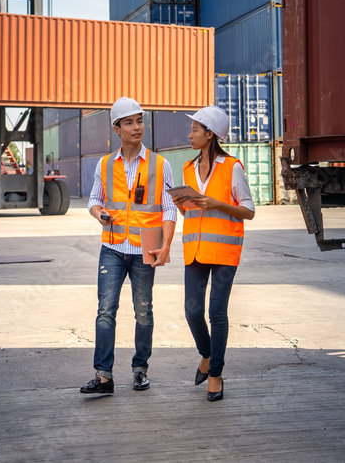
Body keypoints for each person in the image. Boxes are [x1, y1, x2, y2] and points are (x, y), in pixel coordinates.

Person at [80, 97, 177, 395]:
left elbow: (170, 209)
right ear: (117, 128)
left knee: (143, 311)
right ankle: (104, 376)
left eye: (139, 121)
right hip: (112, 246)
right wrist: (99, 214)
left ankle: (140, 370)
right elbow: (94, 201)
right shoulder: (106, 163)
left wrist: (165, 246)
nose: (137, 127)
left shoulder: (161, 164)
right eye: (129, 122)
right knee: (105, 311)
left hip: (144, 249)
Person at [171, 106, 255, 402]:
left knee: (216, 313)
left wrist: (217, 204)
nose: (190, 134)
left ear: (210, 134)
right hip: (194, 251)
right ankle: (206, 355)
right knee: (192, 311)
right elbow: (189, 212)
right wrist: (182, 203)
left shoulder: (232, 167)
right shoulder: (187, 168)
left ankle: (216, 374)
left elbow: (249, 211)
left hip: (224, 251)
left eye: (194, 130)